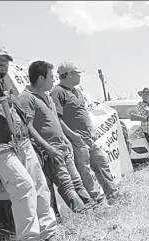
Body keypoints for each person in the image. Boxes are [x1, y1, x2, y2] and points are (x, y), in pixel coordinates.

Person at [0, 45, 57, 240]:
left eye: (5, 59)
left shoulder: (4, 83)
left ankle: (48, 233)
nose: (2, 62)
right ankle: (29, 237)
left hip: (21, 142)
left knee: (40, 185)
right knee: (23, 185)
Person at [19, 60, 95, 214]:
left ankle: (91, 208)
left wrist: (66, 141)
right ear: (41, 79)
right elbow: (28, 127)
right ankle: (84, 213)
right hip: (50, 150)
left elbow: (56, 122)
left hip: (63, 147)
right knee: (66, 184)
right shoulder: (27, 98)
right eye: (51, 77)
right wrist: (49, 148)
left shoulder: (47, 98)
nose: (54, 80)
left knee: (76, 181)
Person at [50, 62, 120, 202]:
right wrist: (72, 135)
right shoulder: (58, 92)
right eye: (77, 73)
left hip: (88, 138)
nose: (79, 76)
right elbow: (56, 118)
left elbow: (82, 113)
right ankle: (97, 200)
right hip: (76, 140)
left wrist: (91, 131)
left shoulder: (77, 91)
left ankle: (113, 194)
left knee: (101, 163)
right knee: (85, 171)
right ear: (69, 74)